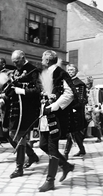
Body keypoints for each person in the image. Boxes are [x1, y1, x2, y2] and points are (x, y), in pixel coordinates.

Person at [38, 50, 79, 192]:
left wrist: (54, 106)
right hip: (45, 116)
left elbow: (70, 94)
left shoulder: (61, 73)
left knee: (51, 147)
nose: (41, 60)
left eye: (43, 58)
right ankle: (65, 165)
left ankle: (50, 181)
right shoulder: (45, 73)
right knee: (42, 144)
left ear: (48, 60)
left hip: (56, 116)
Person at [0, 50, 40, 178]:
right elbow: (11, 88)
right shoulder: (16, 71)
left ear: (23, 58)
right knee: (9, 134)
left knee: (19, 136)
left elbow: (37, 90)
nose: (15, 64)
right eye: (14, 62)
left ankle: (19, 167)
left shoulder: (33, 70)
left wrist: (21, 91)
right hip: (13, 108)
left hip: (26, 110)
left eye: (17, 61)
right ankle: (31, 155)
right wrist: (3, 98)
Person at [63, 64, 88, 159]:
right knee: (74, 132)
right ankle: (82, 149)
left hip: (76, 111)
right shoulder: (66, 82)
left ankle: (65, 154)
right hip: (67, 110)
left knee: (71, 131)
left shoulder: (79, 83)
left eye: (72, 70)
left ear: (76, 71)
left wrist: (74, 108)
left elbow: (82, 100)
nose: (70, 71)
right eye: (68, 70)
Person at [85, 76, 103, 142]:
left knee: (96, 123)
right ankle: (83, 136)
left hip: (95, 108)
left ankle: (99, 137)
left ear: (91, 83)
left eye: (88, 84)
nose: (87, 85)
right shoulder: (85, 91)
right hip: (87, 107)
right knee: (85, 122)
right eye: (86, 84)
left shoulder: (97, 90)